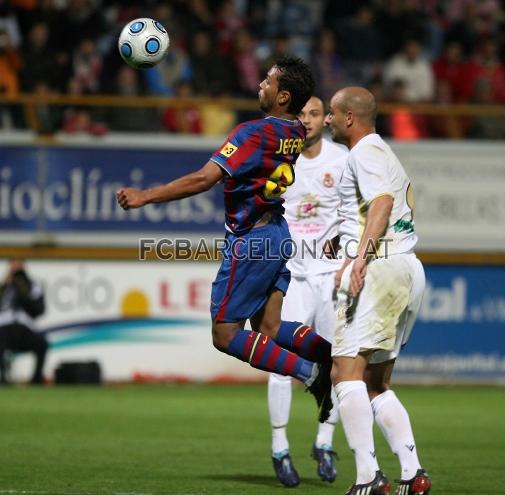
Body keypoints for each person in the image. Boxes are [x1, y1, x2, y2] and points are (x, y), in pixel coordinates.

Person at [116, 56, 333, 422]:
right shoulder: (295, 131)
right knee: (271, 328)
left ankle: (314, 376)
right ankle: (337, 360)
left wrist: (145, 196)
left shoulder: (252, 133)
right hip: (278, 233)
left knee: (224, 334)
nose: (260, 84)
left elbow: (204, 179)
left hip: (252, 239)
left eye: (268, 81)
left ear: (283, 97)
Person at [324, 87, 431, 495]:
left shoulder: (363, 152)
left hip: (381, 269)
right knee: (373, 383)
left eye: (333, 114)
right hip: (407, 267)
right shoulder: (384, 151)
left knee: (344, 371)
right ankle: (412, 474)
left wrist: (360, 259)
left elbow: (382, 203)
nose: (330, 121)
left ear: (349, 117)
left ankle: (368, 478)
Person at [268, 96, 348, 487]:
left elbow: (358, 216)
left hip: (332, 279)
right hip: (292, 279)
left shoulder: (342, 160)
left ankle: (324, 441)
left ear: (326, 118)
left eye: (314, 113)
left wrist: (351, 256)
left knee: (338, 365)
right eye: (300, 114)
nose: (307, 120)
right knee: (279, 363)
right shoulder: (279, 160)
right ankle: (280, 447)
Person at [0, 259, 48, 385]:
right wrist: (5, 286)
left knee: (42, 343)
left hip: (23, 326)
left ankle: (36, 378)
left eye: (18, 263)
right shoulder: (4, 287)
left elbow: (39, 310)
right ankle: (3, 377)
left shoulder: (32, 285)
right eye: (12, 263)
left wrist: (23, 291)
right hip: (4, 325)